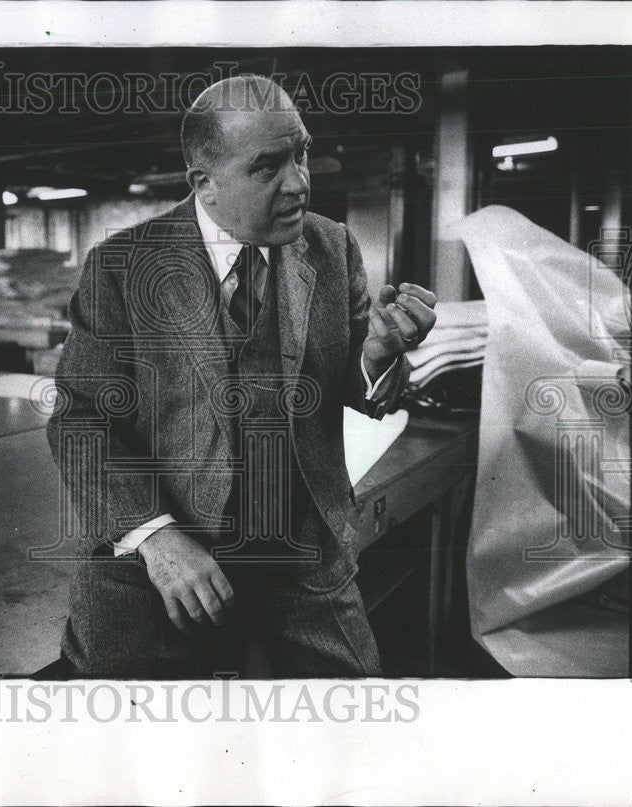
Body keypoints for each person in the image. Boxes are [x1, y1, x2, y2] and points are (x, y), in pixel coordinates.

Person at [46, 75, 437, 678]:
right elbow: (80, 418)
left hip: (302, 553)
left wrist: (379, 355)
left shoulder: (332, 248)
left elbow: (359, 390)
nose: (300, 182)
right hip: (171, 555)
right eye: (268, 167)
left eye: (302, 153)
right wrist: (157, 538)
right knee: (124, 728)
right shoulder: (124, 266)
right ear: (205, 183)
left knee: (359, 715)